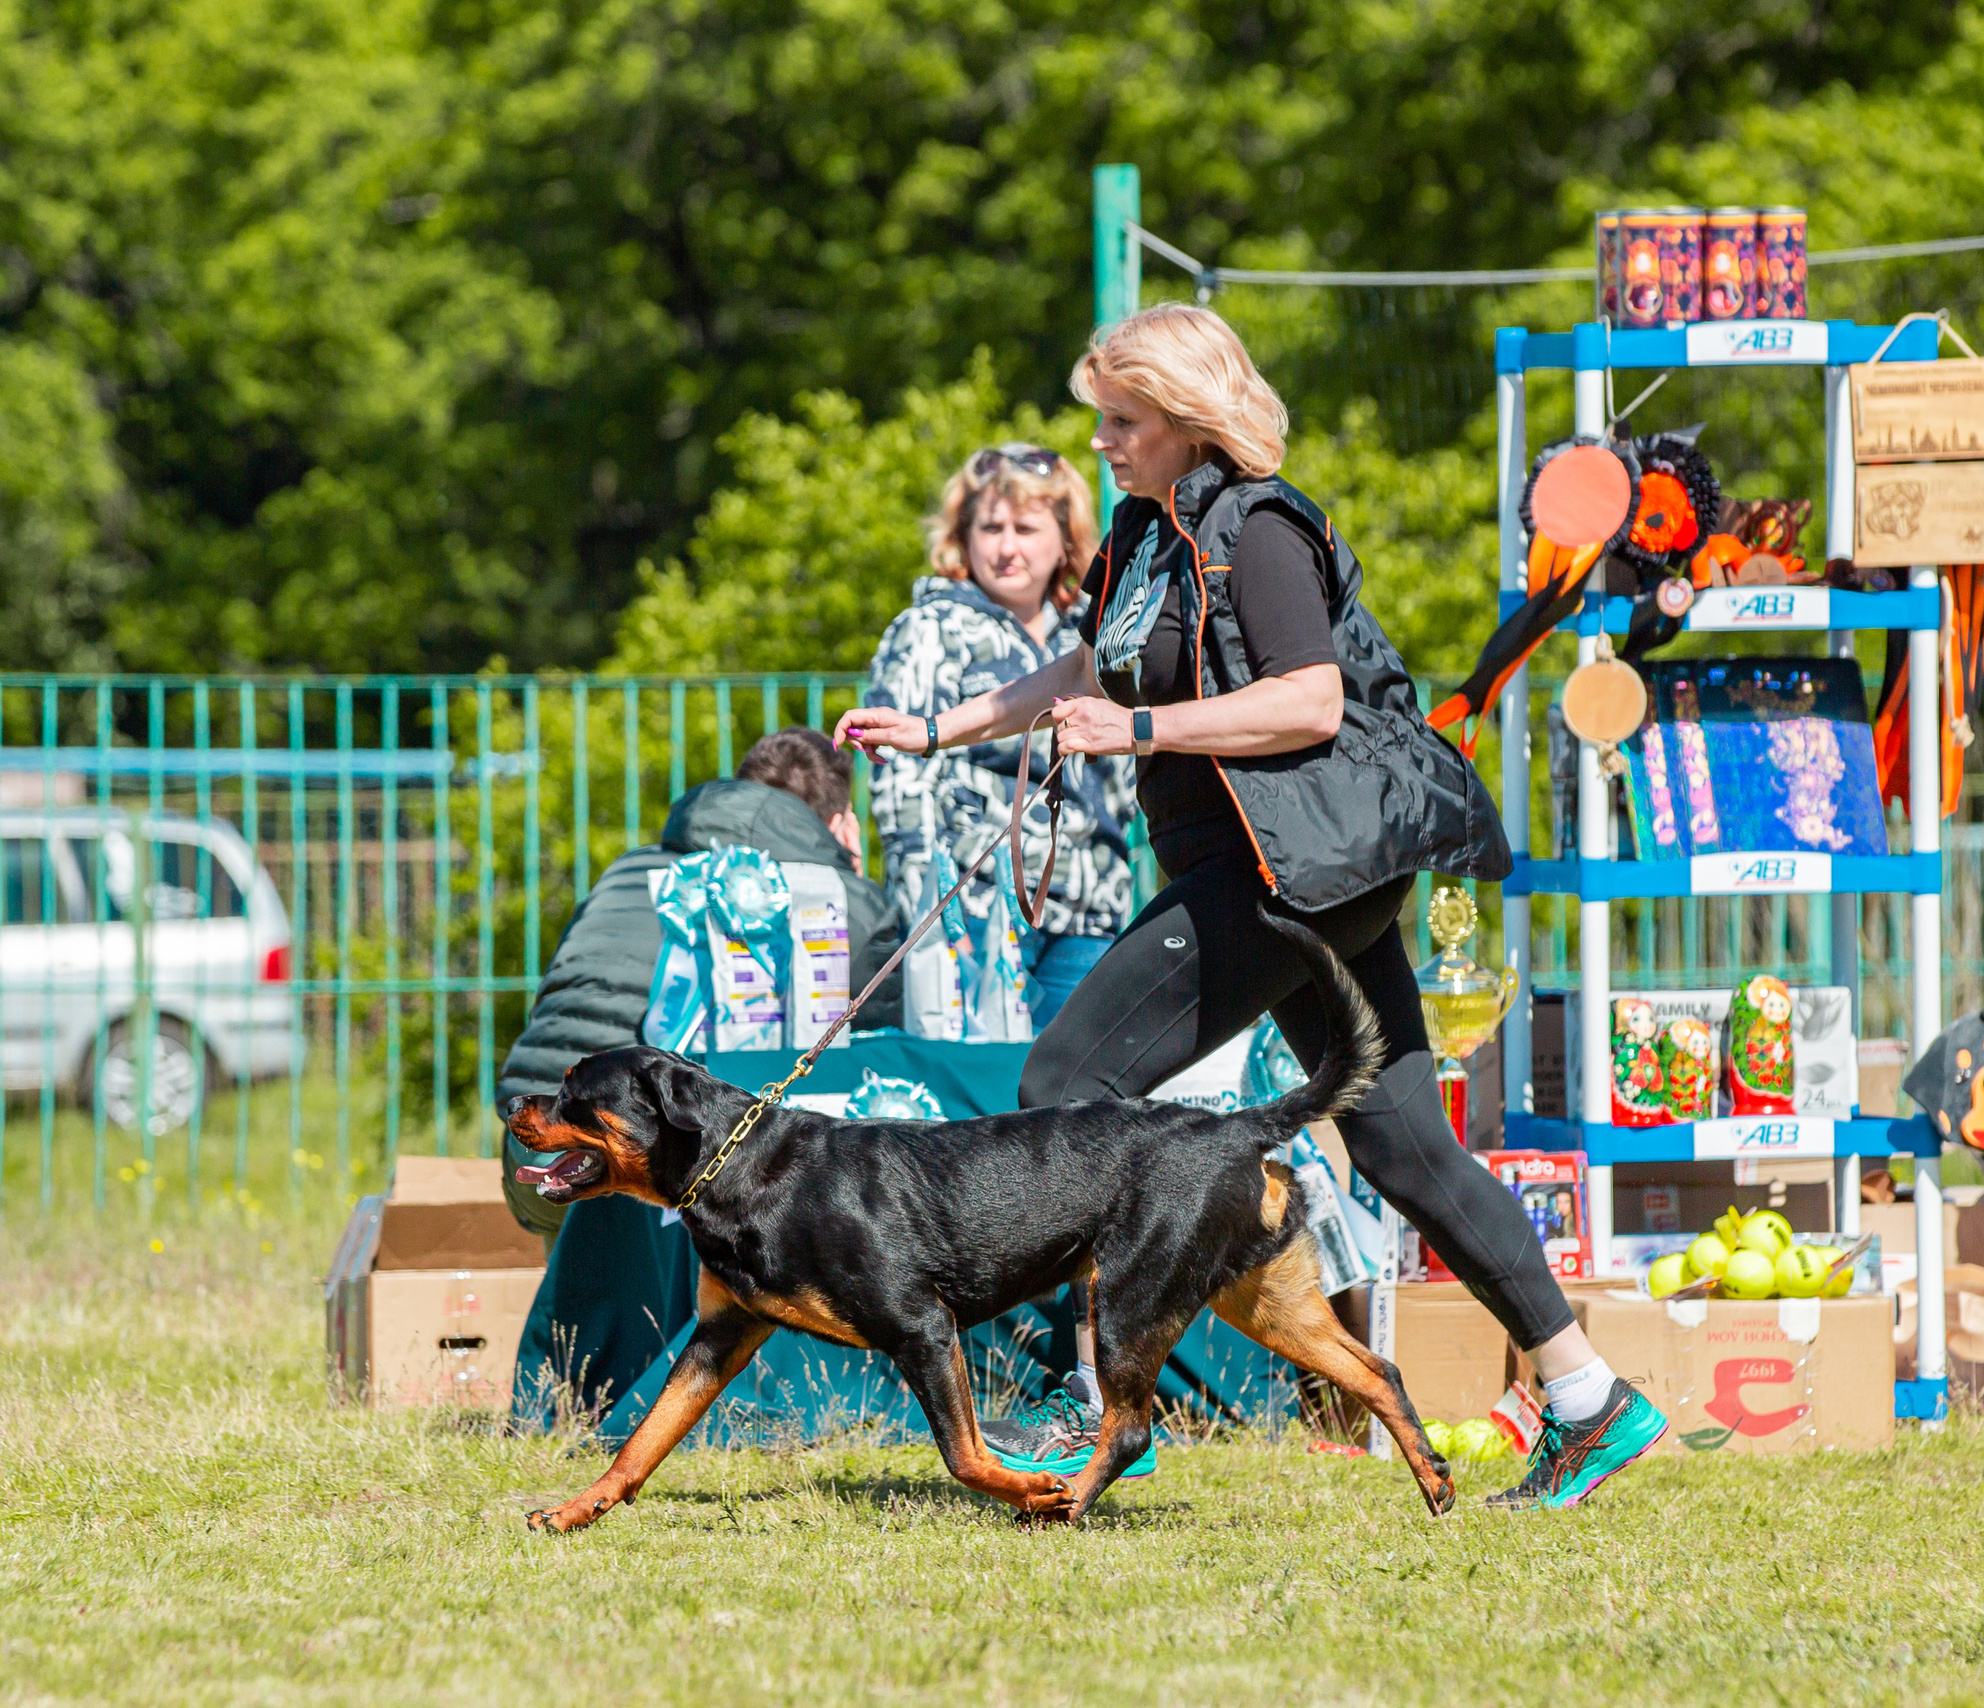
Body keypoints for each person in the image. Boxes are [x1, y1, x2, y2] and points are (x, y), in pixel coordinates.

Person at [837, 302, 1667, 1511]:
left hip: (1288, 874)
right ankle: (1590, 1400)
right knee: (1402, 1145)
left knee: (1066, 1081)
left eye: (1121, 421)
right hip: (1279, 875)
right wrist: (936, 728)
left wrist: (1142, 730)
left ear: (1183, 419)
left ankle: (1107, 1401)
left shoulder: (1258, 527)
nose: (1104, 444)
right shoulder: (1139, 533)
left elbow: (1311, 701)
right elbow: (1089, 669)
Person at [497, 728, 903, 1245]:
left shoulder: (626, 871)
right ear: (839, 824)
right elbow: (880, 1070)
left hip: (529, 1153)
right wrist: (853, 874)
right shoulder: (845, 901)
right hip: (650, 1170)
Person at [862, 444, 1137, 1026]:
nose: (1006, 547)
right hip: (976, 918)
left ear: (1066, 539)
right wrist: (925, 918)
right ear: (963, 537)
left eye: (1025, 528)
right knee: (984, 1105)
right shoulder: (931, 628)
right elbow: (900, 780)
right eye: (990, 527)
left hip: (1090, 919)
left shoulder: (1096, 633)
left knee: (1084, 1100)